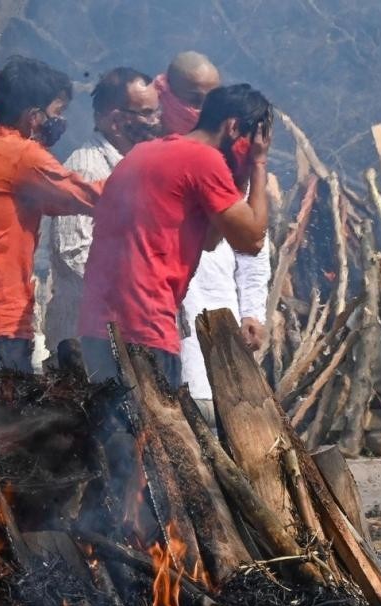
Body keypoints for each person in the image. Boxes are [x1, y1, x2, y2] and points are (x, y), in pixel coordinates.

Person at [79, 84, 273, 387]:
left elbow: (211, 240)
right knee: (148, 433)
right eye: (253, 141)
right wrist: (259, 165)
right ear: (234, 127)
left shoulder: (145, 151)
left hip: (99, 327)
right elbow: (251, 241)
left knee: (108, 431)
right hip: (145, 327)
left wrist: (240, 173)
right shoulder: (203, 160)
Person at [0, 56, 102, 374]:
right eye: (57, 113)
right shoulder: (22, 155)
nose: (60, 121)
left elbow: (58, 202)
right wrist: (147, 175)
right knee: (4, 421)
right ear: (33, 116)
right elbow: (92, 197)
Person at [157, 52, 271, 424]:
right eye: (193, 98)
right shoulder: (151, 154)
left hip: (221, 316)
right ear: (167, 93)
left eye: (210, 99)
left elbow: (253, 249)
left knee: (226, 417)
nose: (201, 109)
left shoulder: (231, 165)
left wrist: (252, 309)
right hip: (163, 318)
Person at [45, 67, 162, 351]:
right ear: (115, 121)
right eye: (146, 113)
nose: (156, 121)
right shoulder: (86, 166)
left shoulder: (141, 165)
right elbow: (73, 252)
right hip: (89, 340)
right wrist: (135, 292)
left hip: (130, 333)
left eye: (156, 112)